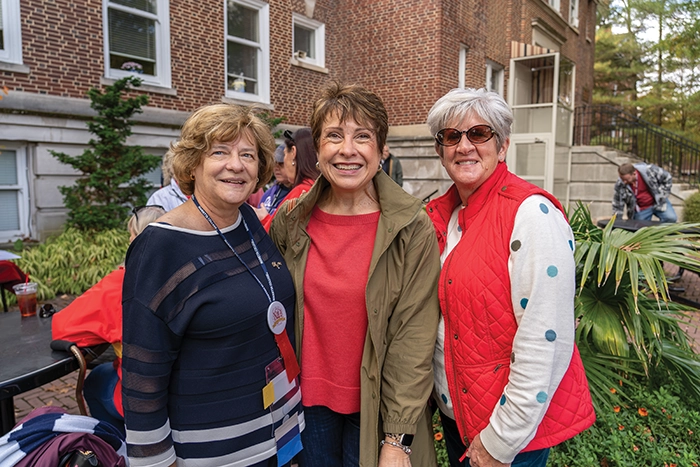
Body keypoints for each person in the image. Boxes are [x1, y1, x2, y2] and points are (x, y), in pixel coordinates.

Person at [121, 104, 303, 467]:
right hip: (210, 452)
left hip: (278, 435)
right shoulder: (161, 246)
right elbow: (143, 371)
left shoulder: (247, 221)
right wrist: (156, 461)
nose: (236, 165)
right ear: (193, 165)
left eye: (247, 154)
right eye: (220, 152)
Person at [270, 82, 441, 467]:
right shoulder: (292, 220)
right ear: (319, 147)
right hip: (307, 405)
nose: (347, 150)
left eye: (362, 137)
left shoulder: (411, 228)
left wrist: (397, 438)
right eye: (334, 136)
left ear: (381, 149)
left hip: (376, 408)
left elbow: (413, 339)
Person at [424, 88, 595, 467]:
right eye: (452, 136)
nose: (464, 146)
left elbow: (545, 337)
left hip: (506, 435)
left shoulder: (531, 214)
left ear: (502, 147)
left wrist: (501, 440)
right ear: (440, 151)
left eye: (479, 134)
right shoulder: (443, 215)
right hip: (460, 420)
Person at [52, 204, 166, 436]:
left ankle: (122, 447)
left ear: (137, 240)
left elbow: (63, 328)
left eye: (131, 235)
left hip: (143, 397)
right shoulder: (189, 274)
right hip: (188, 393)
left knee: (95, 382)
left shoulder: (120, 284)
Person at [259, 127, 320, 230]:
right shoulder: (320, 188)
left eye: (284, 154)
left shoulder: (300, 192)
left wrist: (264, 218)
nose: (277, 167)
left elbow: (275, 237)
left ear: (293, 152)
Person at [613, 162, 677, 222]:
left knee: (671, 218)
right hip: (641, 208)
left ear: (634, 174)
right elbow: (618, 204)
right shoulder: (620, 184)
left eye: (627, 179)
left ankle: (659, 232)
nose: (624, 182)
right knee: (638, 229)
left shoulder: (649, 170)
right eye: (622, 179)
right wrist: (617, 222)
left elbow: (668, 177)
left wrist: (662, 195)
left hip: (658, 202)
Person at [147, 145, 188, 211]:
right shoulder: (159, 198)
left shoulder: (203, 193)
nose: (185, 167)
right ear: (170, 168)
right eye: (180, 162)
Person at [258, 144, 292, 215]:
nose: (276, 168)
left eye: (281, 164)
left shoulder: (299, 193)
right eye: (275, 163)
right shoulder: (272, 190)